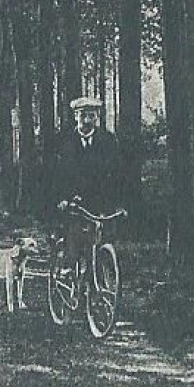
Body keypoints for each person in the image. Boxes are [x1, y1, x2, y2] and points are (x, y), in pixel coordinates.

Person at [51, 95, 127, 274]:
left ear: (97, 117)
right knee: (74, 233)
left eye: (91, 116)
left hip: (101, 200)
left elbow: (118, 173)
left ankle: (100, 277)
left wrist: (121, 203)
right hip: (74, 201)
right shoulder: (65, 141)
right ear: (75, 116)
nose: (87, 120)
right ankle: (70, 265)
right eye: (83, 115)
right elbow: (57, 175)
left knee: (103, 239)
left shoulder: (108, 140)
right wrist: (62, 198)